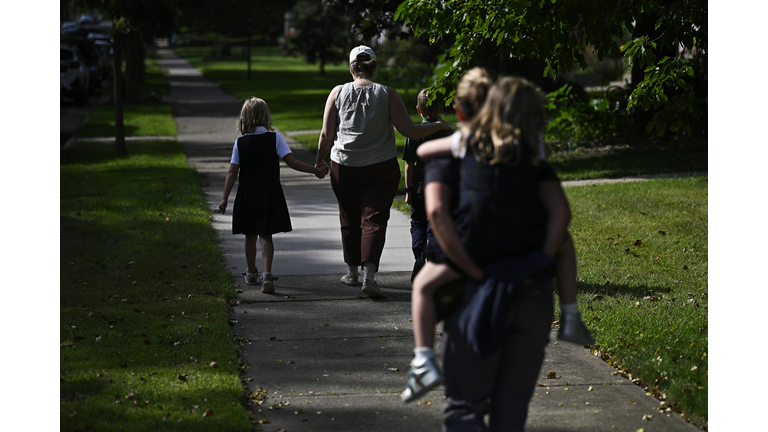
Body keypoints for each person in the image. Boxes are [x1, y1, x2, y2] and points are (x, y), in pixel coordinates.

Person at [403, 76, 577, 431]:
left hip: (475, 279)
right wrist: (543, 259)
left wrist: (468, 266)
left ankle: (423, 361)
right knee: (511, 409)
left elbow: (436, 211)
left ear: (461, 110)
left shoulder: (453, 157)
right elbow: (560, 214)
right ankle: (572, 315)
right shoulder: (532, 159)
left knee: (465, 408)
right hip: (531, 287)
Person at [314, 45, 451, 299]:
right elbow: (409, 130)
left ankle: (352, 273)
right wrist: (438, 125)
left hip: (343, 166)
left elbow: (326, 135)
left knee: (349, 218)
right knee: (374, 220)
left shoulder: (338, 92)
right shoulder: (387, 93)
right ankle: (369, 277)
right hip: (380, 167)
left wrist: (319, 161)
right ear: (374, 68)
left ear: (351, 68)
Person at [220, 97, 328, 293]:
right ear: (266, 117)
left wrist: (225, 198)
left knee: (249, 235)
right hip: (269, 192)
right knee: (266, 235)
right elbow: (292, 162)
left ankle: (251, 272)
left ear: (244, 118)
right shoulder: (275, 139)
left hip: (247, 194)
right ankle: (267, 274)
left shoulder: (240, 143)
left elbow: (232, 172)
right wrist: (315, 170)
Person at [402, 88, 453, 282]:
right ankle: (432, 257)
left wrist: (408, 190)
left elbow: (409, 165)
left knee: (418, 223)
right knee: (435, 225)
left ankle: (419, 256)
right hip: (440, 188)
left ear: (418, 109)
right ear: (441, 108)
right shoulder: (447, 132)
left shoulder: (414, 133)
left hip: (419, 189)